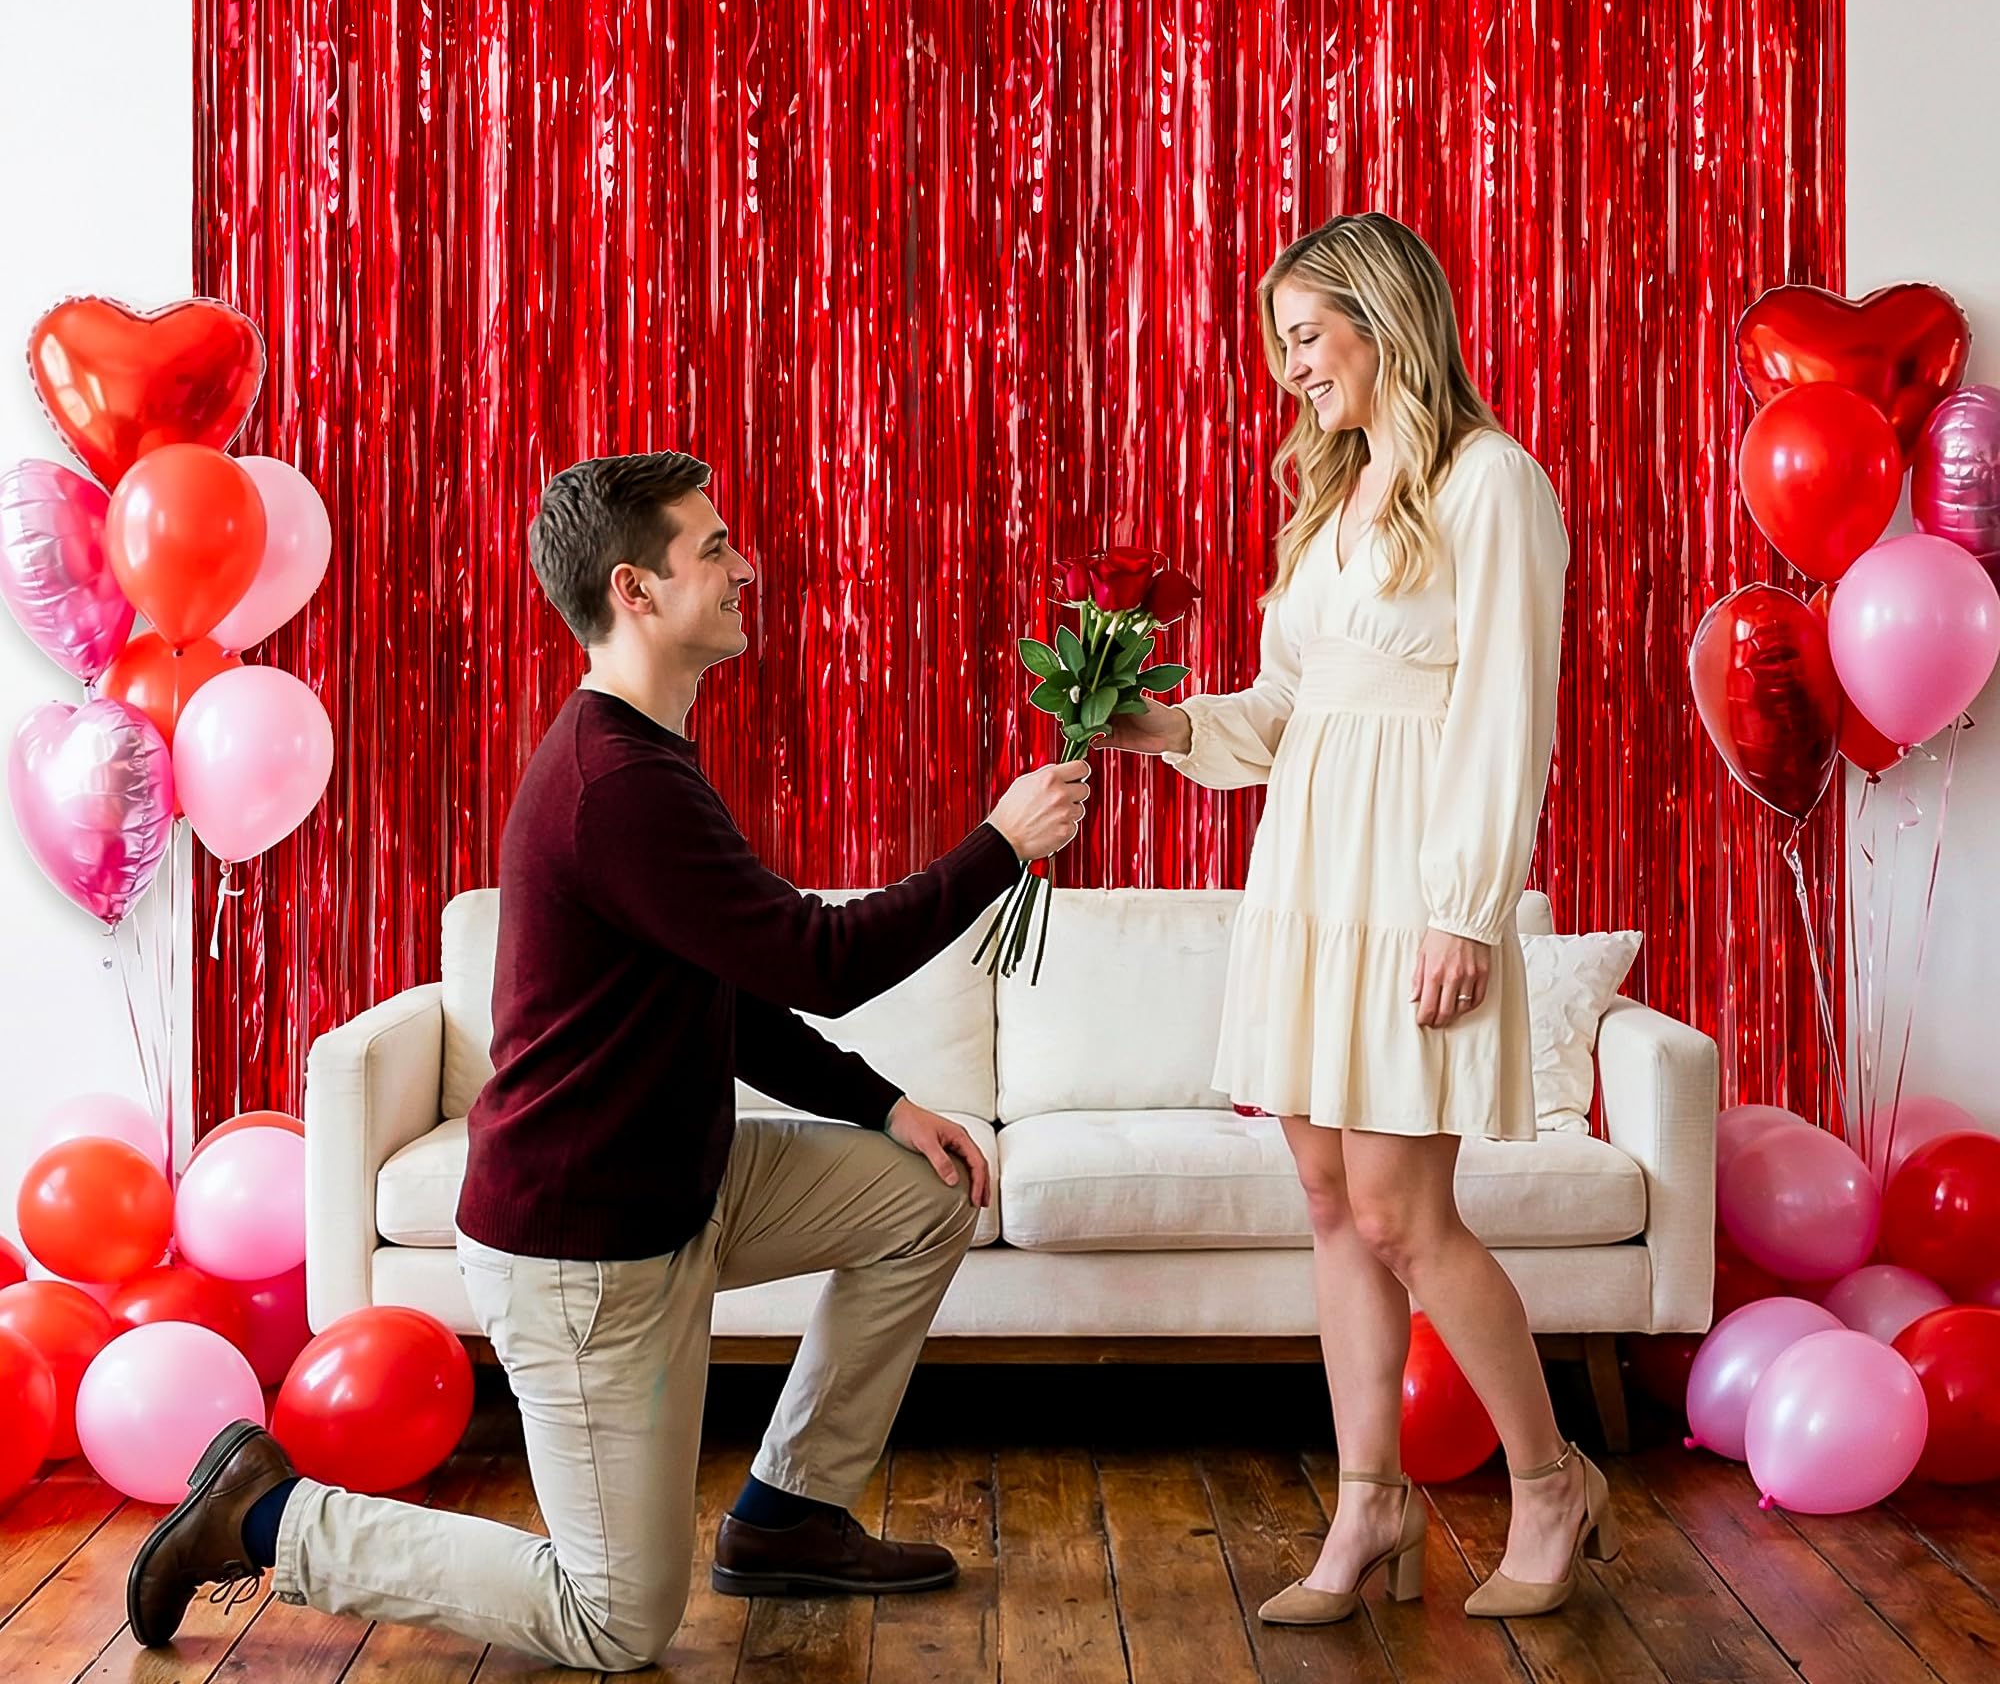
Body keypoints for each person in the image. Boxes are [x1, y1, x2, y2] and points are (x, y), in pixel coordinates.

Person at [127, 450, 1090, 1669]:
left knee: (927, 1195)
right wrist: (998, 842)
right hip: (583, 1252)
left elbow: (731, 993)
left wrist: (887, 1105)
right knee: (616, 1619)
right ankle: (268, 1515)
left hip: (683, 1190)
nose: (744, 567)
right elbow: (819, 958)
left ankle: (787, 1512)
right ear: (634, 590)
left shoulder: (649, 758)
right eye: (713, 548)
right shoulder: (616, 783)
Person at [1106, 213, 1612, 1624]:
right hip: (1308, 879)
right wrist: (1159, 725)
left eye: (1306, 335)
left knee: (1404, 1211)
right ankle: (1369, 1500)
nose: (1290, 368)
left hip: (1408, 891)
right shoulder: (1332, 501)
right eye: (1280, 344)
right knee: (1331, 1204)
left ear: (1384, 321)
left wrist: (1464, 910)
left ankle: (1551, 1480)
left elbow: (1506, 712)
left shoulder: (1490, 481)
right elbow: (1289, 709)